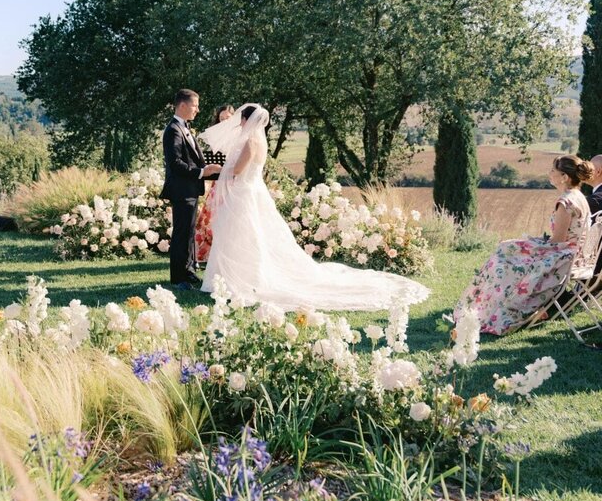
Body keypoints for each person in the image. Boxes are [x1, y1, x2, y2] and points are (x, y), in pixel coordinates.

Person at [200, 104, 428, 310]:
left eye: (241, 119)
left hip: (245, 194)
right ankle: (239, 277)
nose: (238, 122)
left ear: (246, 121)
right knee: (248, 237)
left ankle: (239, 279)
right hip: (252, 192)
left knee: (241, 236)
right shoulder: (260, 141)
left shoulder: (250, 141)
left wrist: (213, 170)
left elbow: (238, 170)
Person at [458, 155, 593, 335]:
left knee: (503, 258)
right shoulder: (579, 197)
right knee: (508, 248)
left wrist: (533, 246)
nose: (549, 173)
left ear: (564, 177)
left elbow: (558, 241)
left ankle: (486, 311)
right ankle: (484, 307)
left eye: (553, 171)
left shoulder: (566, 202)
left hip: (563, 258)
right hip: (575, 255)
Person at [160, 89, 221, 289]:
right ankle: (179, 279)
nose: (198, 110)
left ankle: (189, 272)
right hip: (181, 190)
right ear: (183, 106)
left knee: (188, 233)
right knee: (181, 234)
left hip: (190, 189)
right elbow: (176, 164)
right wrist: (202, 172)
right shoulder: (173, 131)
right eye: (195, 105)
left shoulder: (184, 128)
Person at [195, 104, 235, 262]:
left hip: (233, 181)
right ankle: (208, 253)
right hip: (219, 181)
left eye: (227, 118)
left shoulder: (239, 135)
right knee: (210, 217)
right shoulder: (215, 136)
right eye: (222, 118)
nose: (224, 121)